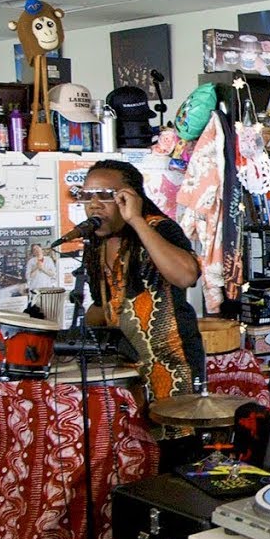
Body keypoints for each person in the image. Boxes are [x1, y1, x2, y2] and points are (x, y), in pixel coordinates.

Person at [81, 160, 206, 401]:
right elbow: (101, 307)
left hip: (172, 362)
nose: (94, 204)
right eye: (87, 196)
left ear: (130, 198)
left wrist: (136, 220)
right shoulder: (95, 243)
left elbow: (186, 276)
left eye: (106, 196)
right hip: (127, 364)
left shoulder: (158, 229)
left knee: (175, 435)